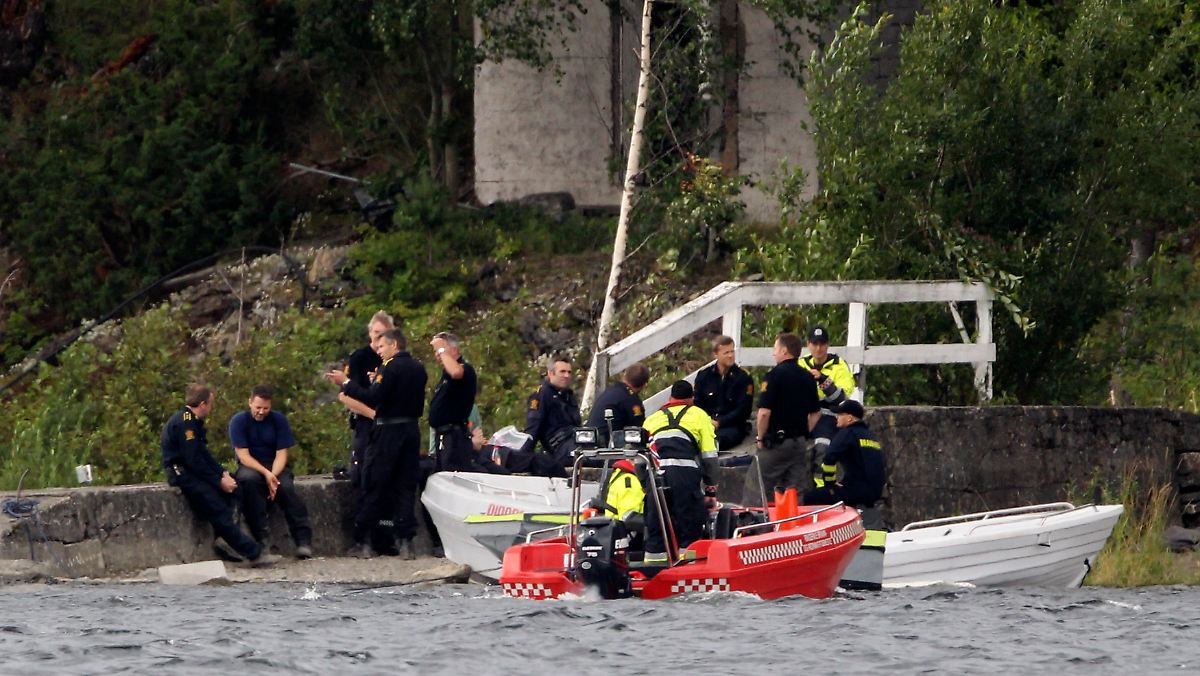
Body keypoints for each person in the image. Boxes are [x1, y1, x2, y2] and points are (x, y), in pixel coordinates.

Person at [326, 328, 426, 559]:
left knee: (373, 482)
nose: (379, 351)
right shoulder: (418, 367)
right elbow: (397, 393)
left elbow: (373, 397)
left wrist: (346, 382)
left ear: (394, 345)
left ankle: (364, 540)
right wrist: (377, 383)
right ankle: (406, 542)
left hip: (388, 431)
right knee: (405, 486)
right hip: (411, 430)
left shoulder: (389, 367)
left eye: (382, 346)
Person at [160, 384, 279, 567]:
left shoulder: (192, 420)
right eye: (210, 404)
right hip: (183, 474)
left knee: (237, 488)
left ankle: (228, 538)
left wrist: (222, 473)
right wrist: (218, 481)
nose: (211, 408)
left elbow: (203, 454)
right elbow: (193, 460)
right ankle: (254, 553)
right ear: (203, 404)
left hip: (194, 471)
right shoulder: (186, 424)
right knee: (217, 509)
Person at [229, 385, 313, 559]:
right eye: (258, 407)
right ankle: (262, 539)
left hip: (275, 464)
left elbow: (282, 454)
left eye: (265, 408)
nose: (261, 412)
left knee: (286, 488)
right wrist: (266, 475)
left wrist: (273, 476)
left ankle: (303, 540)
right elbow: (243, 456)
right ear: (250, 403)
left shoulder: (278, 420)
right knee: (249, 483)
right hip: (251, 465)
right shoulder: (239, 421)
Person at [641, 380, 718, 564]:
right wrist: (710, 491)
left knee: (656, 527)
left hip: (656, 476)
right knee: (689, 526)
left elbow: (638, 459)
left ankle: (653, 570)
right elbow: (709, 457)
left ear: (670, 398)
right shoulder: (699, 415)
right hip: (685, 476)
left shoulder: (652, 418)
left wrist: (646, 485)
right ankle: (689, 567)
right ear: (692, 399)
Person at [756, 333, 822, 493]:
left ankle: (754, 512)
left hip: (776, 443)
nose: (774, 353)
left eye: (775, 349)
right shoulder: (808, 377)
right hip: (799, 444)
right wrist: (802, 432)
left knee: (756, 488)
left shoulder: (773, 376)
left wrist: (760, 437)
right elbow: (816, 413)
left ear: (784, 351)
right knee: (793, 493)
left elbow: (764, 413)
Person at [803, 399, 886, 508]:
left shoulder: (848, 433)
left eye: (840, 414)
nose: (836, 417)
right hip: (875, 492)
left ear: (849, 418)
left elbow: (829, 457)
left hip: (855, 491)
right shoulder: (870, 436)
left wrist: (830, 484)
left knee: (808, 498)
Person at [343, 311, 393, 489]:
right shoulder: (359, 357)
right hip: (365, 424)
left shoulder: (394, 359)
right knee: (363, 475)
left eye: (383, 334)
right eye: (376, 332)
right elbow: (347, 396)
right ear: (370, 332)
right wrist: (373, 415)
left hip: (390, 425)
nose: (379, 338)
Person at [801, 325, 857, 479]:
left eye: (822, 344)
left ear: (828, 345)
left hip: (829, 415)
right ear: (808, 345)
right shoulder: (801, 364)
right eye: (815, 344)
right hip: (804, 415)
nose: (818, 348)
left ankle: (822, 486)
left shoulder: (839, 365)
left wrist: (822, 379)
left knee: (823, 446)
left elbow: (841, 399)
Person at [428, 332, 479, 473]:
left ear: (454, 350)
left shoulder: (465, 369)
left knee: (452, 475)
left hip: (454, 437)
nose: (438, 354)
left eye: (441, 350)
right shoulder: (446, 375)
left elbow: (456, 372)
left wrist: (442, 349)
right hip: (442, 436)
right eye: (436, 351)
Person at [694, 335, 755, 449]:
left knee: (720, 441)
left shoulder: (743, 377)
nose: (730, 355)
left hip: (731, 425)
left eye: (732, 351)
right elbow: (697, 404)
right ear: (715, 354)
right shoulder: (704, 376)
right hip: (706, 423)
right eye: (726, 353)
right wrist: (708, 421)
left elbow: (744, 409)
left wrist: (720, 422)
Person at [525, 356, 581, 465]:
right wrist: (523, 458)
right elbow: (533, 429)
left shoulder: (569, 396)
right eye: (562, 372)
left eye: (569, 372)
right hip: (559, 448)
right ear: (551, 374)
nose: (567, 376)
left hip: (576, 441)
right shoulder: (541, 395)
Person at [586, 363, 649, 446]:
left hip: (590, 438)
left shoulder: (610, 391)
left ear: (625, 376)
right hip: (607, 441)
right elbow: (638, 427)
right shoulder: (631, 400)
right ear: (644, 385)